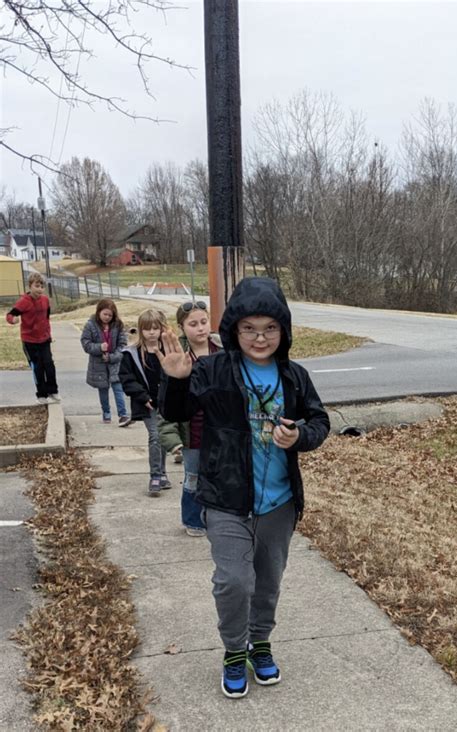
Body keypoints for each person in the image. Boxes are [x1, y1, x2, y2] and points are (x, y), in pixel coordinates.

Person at [158, 277, 330, 699]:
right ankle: (235, 650)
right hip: (226, 498)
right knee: (235, 580)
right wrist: (177, 380)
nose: (260, 337)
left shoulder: (293, 376)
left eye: (270, 328)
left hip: (279, 502)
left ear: (283, 331)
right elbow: (177, 412)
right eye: (249, 327)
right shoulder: (213, 370)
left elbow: (320, 421)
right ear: (234, 327)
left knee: (268, 581)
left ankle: (260, 642)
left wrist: (300, 437)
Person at [161, 301, 221, 537]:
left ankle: (217, 517)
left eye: (204, 322)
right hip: (193, 435)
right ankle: (193, 520)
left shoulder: (223, 351)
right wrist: (172, 440)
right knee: (193, 479)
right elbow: (166, 405)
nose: (200, 328)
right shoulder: (177, 357)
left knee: (218, 477)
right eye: (193, 324)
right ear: (182, 327)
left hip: (219, 431)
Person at [119, 308, 173, 496]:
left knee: (164, 437)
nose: (151, 332)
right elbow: (127, 379)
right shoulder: (132, 354)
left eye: (155, 328)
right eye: (147, 329)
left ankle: (163, 472)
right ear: (141, 330)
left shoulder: (168, 350)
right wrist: (143, 397)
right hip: (147, 403)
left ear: (161, 329)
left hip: (166, 402)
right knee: (155, 436)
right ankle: (155, 475)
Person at [6, 272, 60, 404]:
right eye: (37, 286)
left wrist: (49, 334)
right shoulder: (24, 302)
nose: (40, 289)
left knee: (49, 365)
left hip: (44, 339)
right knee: (38, 367)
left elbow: (46, 319)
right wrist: (13, 320)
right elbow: (10, 315)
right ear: (30, 286)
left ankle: (53, 392)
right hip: (30, 341)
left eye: (42, 286)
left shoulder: (45, 300)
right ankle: (41, 395)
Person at [80, 299, 131, 426]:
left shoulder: (118, 325)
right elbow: (86, 344)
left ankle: (123, 414)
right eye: (105, 314)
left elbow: (123, 345)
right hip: (98, 363)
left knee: (118, 388)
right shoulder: (90, 325)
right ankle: (106, 412)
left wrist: (113, 357)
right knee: (103, 389)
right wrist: (98, 348)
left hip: (114, 363)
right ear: (98, 312)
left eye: (110, 315)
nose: (107, 317)